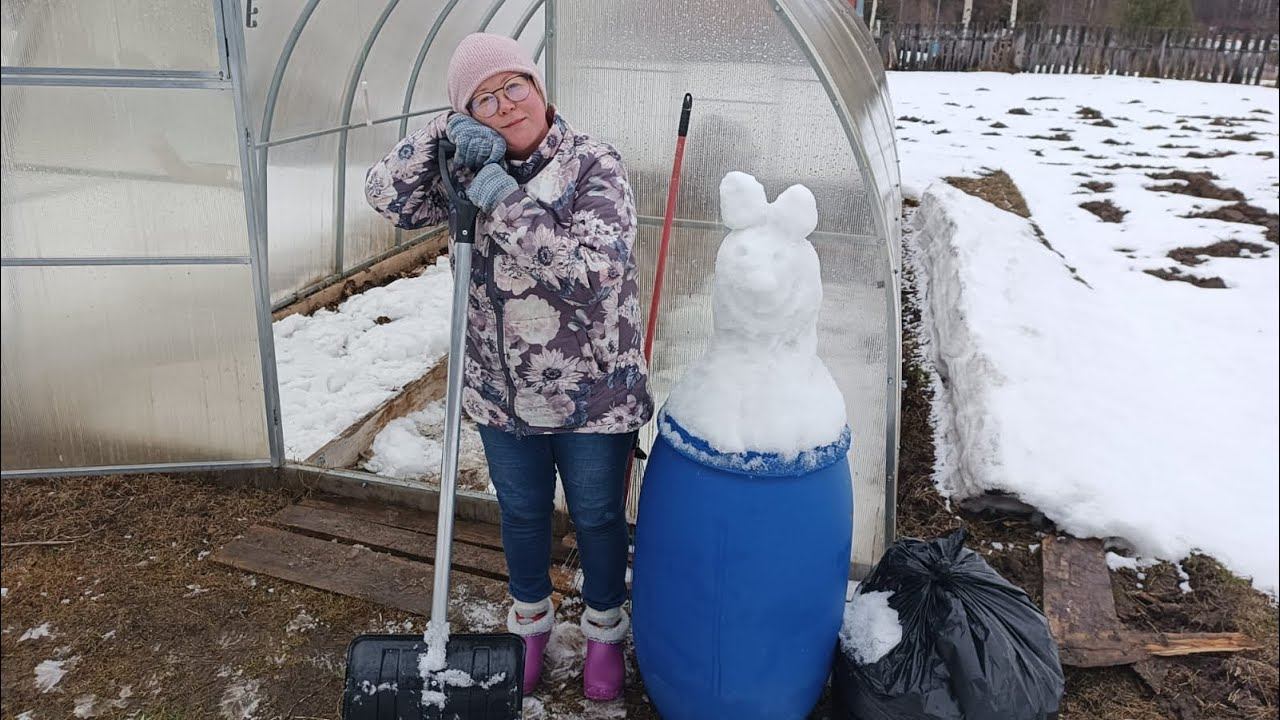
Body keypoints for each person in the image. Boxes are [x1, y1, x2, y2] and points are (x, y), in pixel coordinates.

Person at [364, 33, 652, 702]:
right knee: (521, 512)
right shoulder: (460, 170)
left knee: (597, 515)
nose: (504, 105)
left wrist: (502, 198)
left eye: (513, 86)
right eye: (483, 99)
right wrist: (442, 134)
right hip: (501, 395)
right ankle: (530, 624)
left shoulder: (594, 165)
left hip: (595, 394)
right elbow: (385, 197)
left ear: (539, 88)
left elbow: (591, 274)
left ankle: (605, 630)